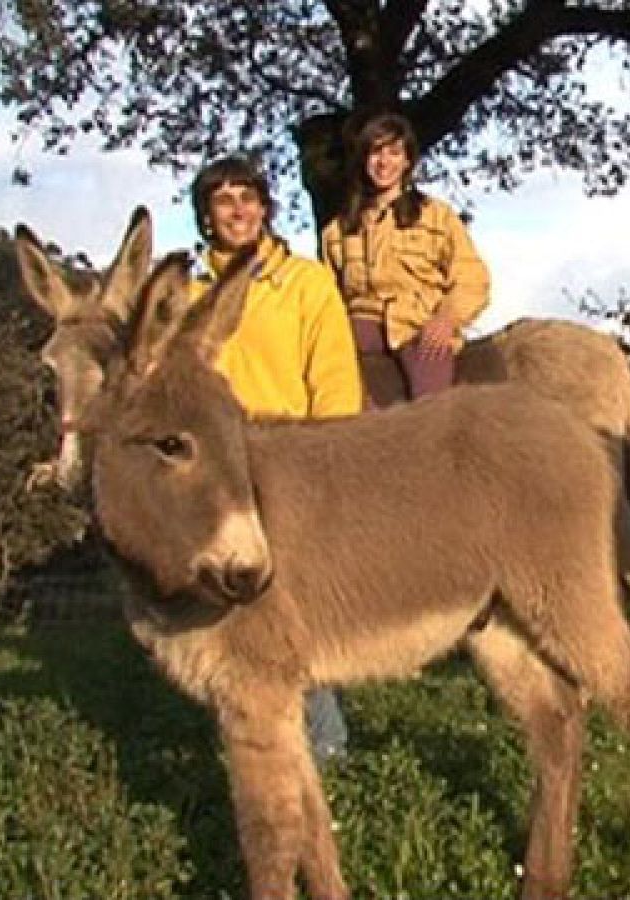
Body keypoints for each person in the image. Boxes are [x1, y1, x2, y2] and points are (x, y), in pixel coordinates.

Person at [190, 156, 365, 766]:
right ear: (206, 217)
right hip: (217, 469)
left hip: (292, 457)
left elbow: (333, 373)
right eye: (223, 200)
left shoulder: (305, 283)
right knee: (223, 605)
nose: (237, 210)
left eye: (248, 198)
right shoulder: (189, 295)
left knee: (290, 600)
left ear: (265, 209)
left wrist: (331, 453)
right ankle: (250, 731)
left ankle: (326, 741)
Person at [321, 112, 492, 407]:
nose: (384, 162)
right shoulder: (337, 231)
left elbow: (472, 278)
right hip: (359, 325)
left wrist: (446, 319)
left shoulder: (437, 216)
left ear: (407, 161)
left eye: (394, 153)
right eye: (375, 152)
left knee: (432, 406)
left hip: (417, 325)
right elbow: (325, 296)